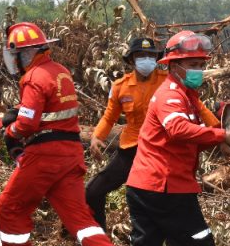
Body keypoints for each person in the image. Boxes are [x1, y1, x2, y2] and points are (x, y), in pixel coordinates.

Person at [0, 22, 121, 246]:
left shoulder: (32, 77)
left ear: (24, 54)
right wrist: (15, 113)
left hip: (45, 155)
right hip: (70, 154)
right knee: (78, 216)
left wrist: (10, 130)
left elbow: (28, 124)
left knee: (9, 207)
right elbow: (49, 108)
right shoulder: (60, 71)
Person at [125, 30, 230, 246]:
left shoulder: (186, 95)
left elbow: (188, 139)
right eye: (192, 65)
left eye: (201, 65)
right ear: (174, 66)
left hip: (148, 185)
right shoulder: (170, 95)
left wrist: (216, 141)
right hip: (164, 187)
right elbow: (178, 130)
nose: (198, 70)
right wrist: (221, 136)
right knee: (200, 245)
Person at [86, 36, 219, 231]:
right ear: (131, 60)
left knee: (171, 199)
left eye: (150, 55)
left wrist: (216, 130)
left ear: (157, 58)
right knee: (94, 190)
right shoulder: (120, 87)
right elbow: (109, 116)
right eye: (141, 56)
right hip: (131, 148)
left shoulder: (168, 81)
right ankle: (98, 234)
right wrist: (97, 137)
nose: (146, 60)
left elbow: (197, 106)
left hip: (162, 150)